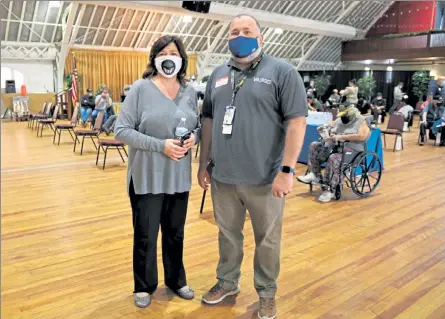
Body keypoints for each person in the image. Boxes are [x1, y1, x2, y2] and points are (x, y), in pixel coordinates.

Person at [197, 14, 307, 319]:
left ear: (261, 38)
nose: (240, 35)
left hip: (266, 178)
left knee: (267, 240)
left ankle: (267, 292)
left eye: (247, 31)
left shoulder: (283, 73)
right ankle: (228, 282)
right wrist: (203, 162)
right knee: (227, 235)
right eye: (234, 31)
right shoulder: (218, 74)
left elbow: (297, 121)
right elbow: (208, 119)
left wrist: (286, 171)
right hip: (223, 178)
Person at [114, 35, 200, 308]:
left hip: (178, 176)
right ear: (154, 57)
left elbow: (197, 126)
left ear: (182, 58)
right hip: (146, 176)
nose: (168, 56)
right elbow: (121, 130)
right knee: (146, 235)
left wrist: (195, 137)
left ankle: (176, 279)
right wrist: (159, 146)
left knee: (175, 233)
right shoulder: (140, 88)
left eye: (174, 52)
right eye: (163, 52)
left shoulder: (189, 90)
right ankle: (144, 285)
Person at [297, 104, 370, 202]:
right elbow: (332, 126)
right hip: (336, 146)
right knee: (314, 145)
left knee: (334, 157)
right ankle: (314, 175)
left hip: (352, 150)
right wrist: (325, 130)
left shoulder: (361, 120)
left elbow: (362, 136)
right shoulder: (340, 120)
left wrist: (342, 137)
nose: (342, 117)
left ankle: (330, 189)